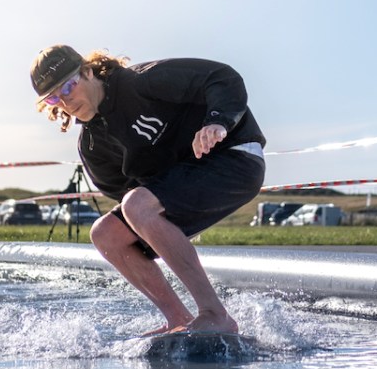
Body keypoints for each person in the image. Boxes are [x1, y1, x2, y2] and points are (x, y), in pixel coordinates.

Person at [30, 45, 266, 335]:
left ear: (88, 72)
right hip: (187, 181)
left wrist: (218, 121)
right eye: (54, 98)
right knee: (105, 234)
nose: (64, 102)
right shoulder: (93, 147)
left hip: (235, 156)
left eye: (68, 87)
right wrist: (163, 226)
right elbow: (128, 196)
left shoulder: (141, 82)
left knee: (137, 206)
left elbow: (222, 77)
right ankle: (177, 319)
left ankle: (215, 314)